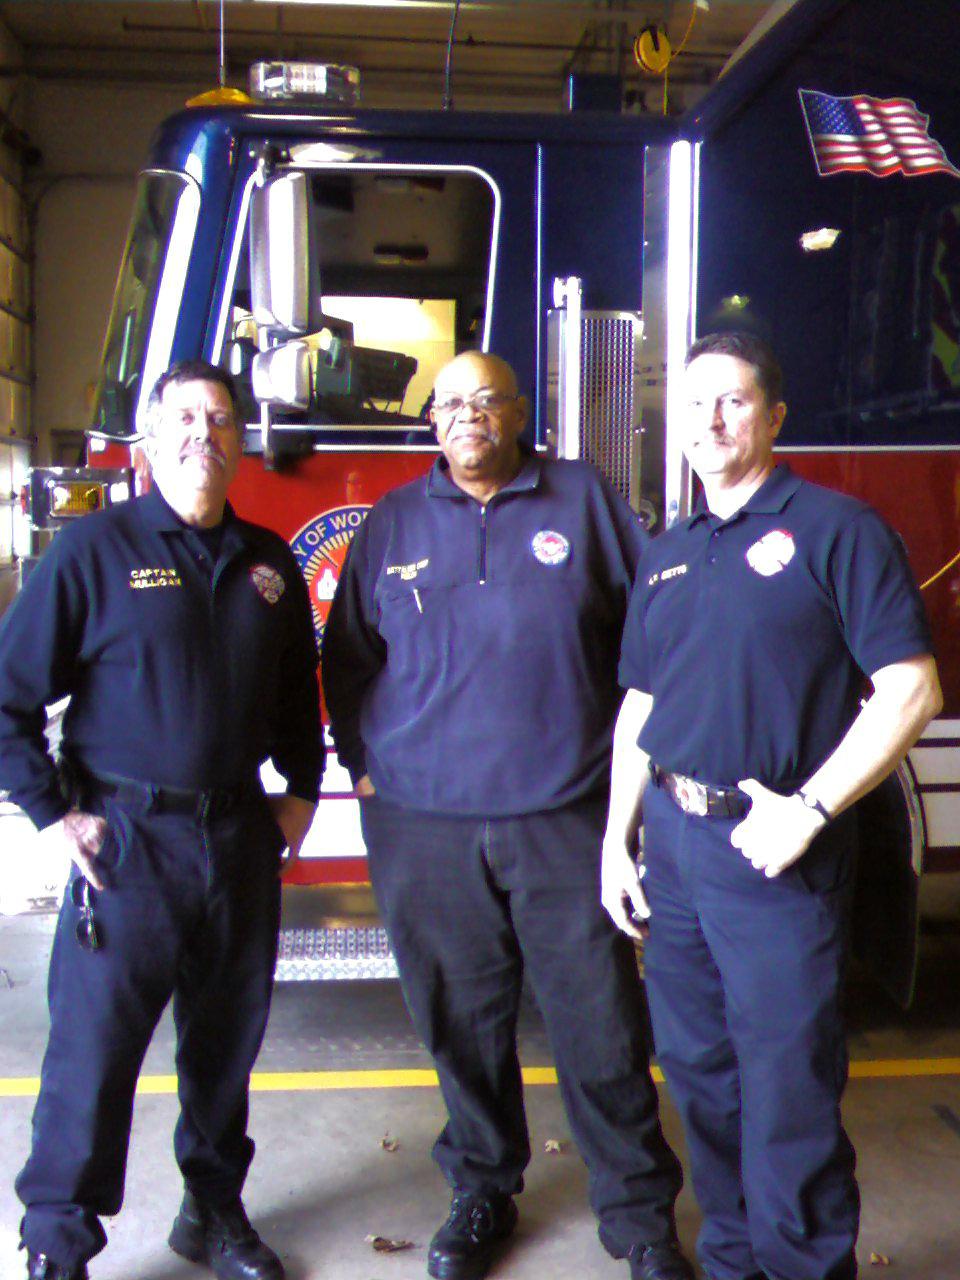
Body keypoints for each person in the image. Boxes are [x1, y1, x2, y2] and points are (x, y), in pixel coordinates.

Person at [322, 351, 694, 1280]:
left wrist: (631, 788)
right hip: (423, 826)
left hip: (564, 816)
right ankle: (483, 1188)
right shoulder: (394, 520)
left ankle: (639, 1216)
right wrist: (367, 771)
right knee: (460, 1022)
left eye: (486, 400)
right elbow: (348, 658)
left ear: (519, 412)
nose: (467, 416)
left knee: (601, 1024)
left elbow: (651, 636)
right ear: (431, 421)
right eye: (449, 403)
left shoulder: (584, 502)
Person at [601, 331, 942, 1280]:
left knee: (788, 1093)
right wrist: (614, 839)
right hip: (673, 846)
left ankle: (802, 1267)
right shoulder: (667, 554)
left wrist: (810, 810)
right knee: (703, 1080)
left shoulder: (837, 529)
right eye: (696, 402)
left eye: (736, 401)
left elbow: (911, 690)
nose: (712, 420)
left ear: (774, 416)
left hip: (774, 853)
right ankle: (735, 1262)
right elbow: (642, 704)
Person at [0, 360, 322, 1280]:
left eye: (219, 418)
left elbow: (298, 699)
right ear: (148, 441)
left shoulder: (269, 563)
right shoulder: (92, 553)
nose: (202, 434)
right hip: (126, 846)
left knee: (225, 1050)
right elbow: (8, 698)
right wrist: (53, 815)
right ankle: (57, 1241)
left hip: (237, 842)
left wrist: (298, 790)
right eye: (182, 417)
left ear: (239, 441)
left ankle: (212, 1213)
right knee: (91, 1058)